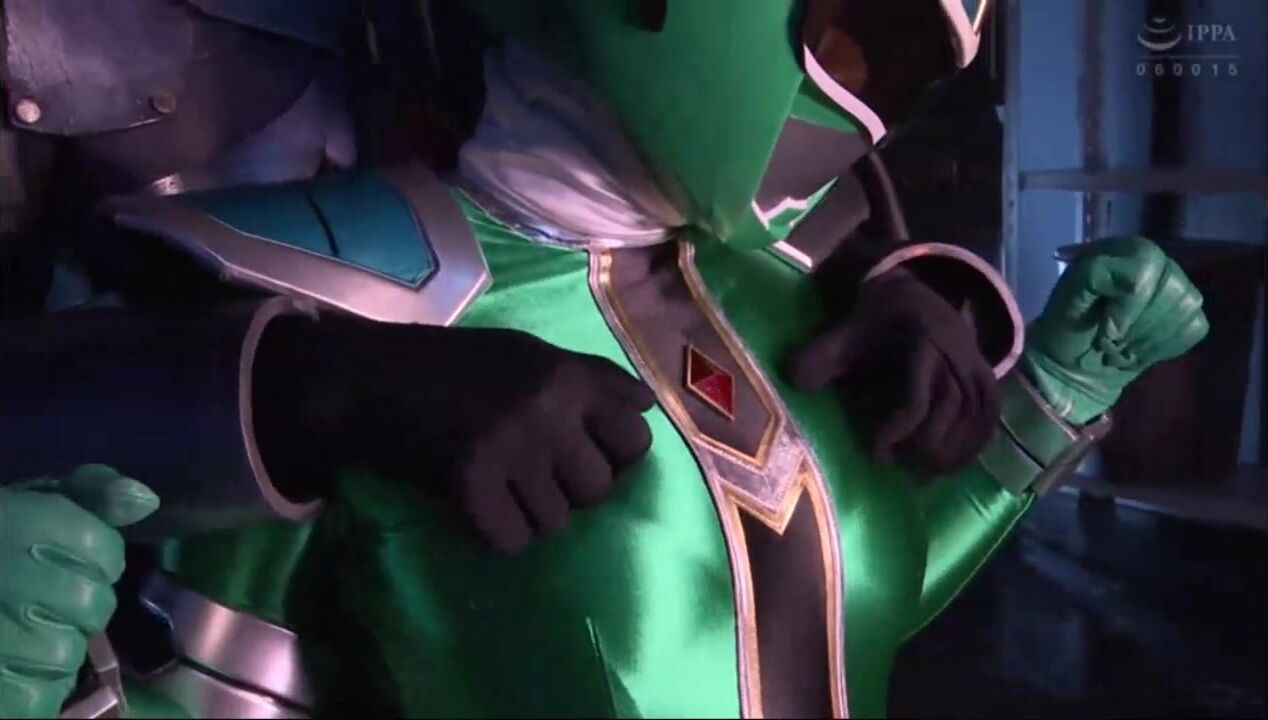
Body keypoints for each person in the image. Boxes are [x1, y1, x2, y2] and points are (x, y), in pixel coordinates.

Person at [0, 0, 1209, 717]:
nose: (867, 103)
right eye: (856, 31)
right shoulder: (312, 293)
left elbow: (822, 626)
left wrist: (1047, 392)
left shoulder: (793, 292)